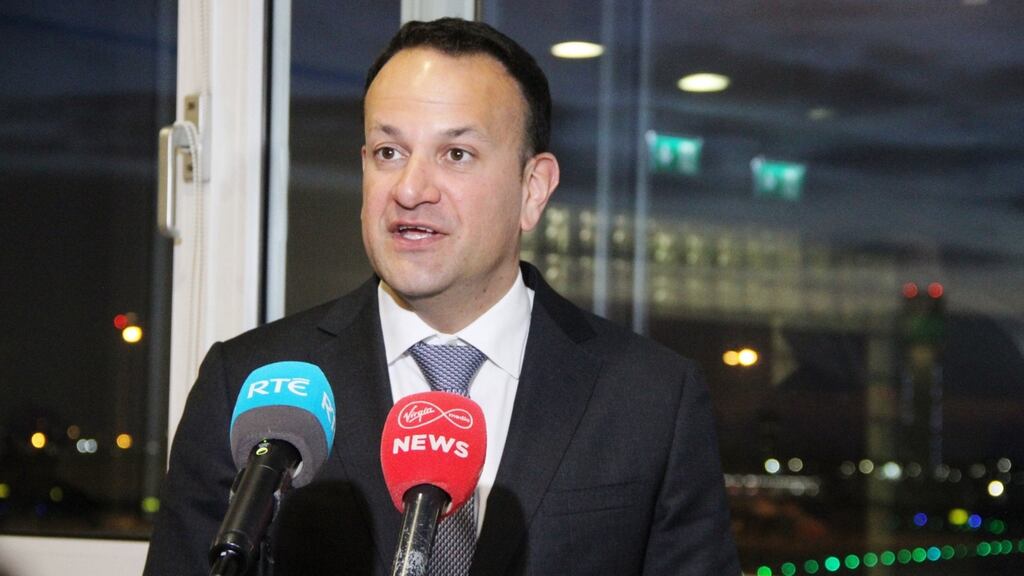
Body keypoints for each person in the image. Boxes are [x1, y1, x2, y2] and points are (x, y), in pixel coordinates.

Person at [144, 17, 740, 576]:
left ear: (533, 189)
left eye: (456, 154)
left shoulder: (653, 398)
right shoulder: (251, 385)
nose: (409, 189)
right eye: (388, 153)